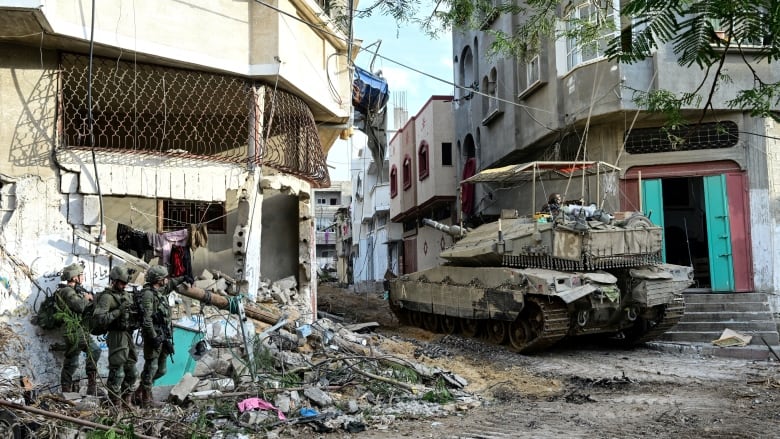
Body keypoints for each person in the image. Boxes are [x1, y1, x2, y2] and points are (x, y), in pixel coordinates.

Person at [134, 265, 183, 408]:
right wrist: (154, 337)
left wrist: (183, 277)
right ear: (158, 280)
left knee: (161, 370)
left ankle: (139, 391)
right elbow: (147, 320)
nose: (167, 280)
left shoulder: (159, 291)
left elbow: (171, 285)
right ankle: (146, 399)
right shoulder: (148, 294)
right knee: (151, 367)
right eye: (164, 278)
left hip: (163, 335)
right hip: (154, 337)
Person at [92, 265, 138, 406]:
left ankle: (127, 401)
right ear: (114, 281)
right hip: (116, 335)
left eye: (126, 283)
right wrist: (119, 311)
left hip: (128, 335)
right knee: (117, 372)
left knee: (132, 372)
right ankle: (115, 403)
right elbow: (100, 318)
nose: (124, 286)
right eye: (122, 283)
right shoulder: (107, 297)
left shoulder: (126, 295)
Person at [57, 263, 102, 395]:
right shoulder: (67, 291)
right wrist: (86, 298)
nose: (82, 277)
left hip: (79, 329)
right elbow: (79, 306)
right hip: (72, 330)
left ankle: (90, 386)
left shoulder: (75, 290)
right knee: (73, 361)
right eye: (80, 275)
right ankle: (67, 390)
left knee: (92, 352)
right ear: (74, 277)